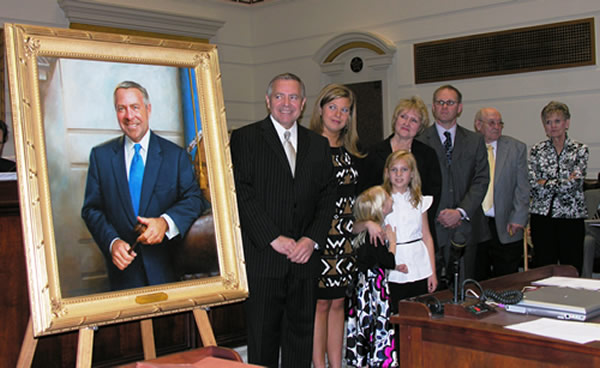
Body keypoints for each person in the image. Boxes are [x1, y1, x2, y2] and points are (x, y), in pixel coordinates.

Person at [230, 73, 336, 368]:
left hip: (305, 260)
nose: (286, 104)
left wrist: (311, 239)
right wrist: (274, 238)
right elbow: (241, 193)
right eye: (279, 96)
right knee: (262, 342)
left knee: (300, 341)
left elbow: (328, 196)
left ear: (303, 104)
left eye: (293, 98)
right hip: (265, 259)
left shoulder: (318, 144)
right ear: (267, 101)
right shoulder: (245, 138)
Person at [81, 81, 207, 291]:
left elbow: (194, 199)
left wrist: (165, 223)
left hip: (166, 273)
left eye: (135, 107)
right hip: (122, 276)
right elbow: (92, 209)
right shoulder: (100, 157)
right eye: (121, 109)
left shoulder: (175, 156)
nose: (129, 116)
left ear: (148, 109)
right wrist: (112, 243)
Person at [308, 84, 362, 368]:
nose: (338, 114)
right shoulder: (307, 147)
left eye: (344, 109)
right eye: (333, 107)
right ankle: (319, 365)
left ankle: (336, 365)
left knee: (339, 302)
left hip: (346, 238)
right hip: (319, 236)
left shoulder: (351, 150)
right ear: (320, 109)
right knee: (320, 304)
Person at [416, 85, 489, 284]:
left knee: (464, 290)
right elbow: (416, 185)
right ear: (433, 107)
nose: (445, 107)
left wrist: (460, 211)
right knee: (430, 292)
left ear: (459, 107)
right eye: (440, 102)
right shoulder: (419, 141)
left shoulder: (475, 141)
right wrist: (439, 212)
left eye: (450, 102)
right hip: (431, 227)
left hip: (465, 226)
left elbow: (481, 180)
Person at [359, 96, 441, 237]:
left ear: (420, 127)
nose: (407, 123)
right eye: (403, 116)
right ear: (395, 119)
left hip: (417, 232)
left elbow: (433, 193)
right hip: (381, 230)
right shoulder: (372, 153)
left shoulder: (428, 155)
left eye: (414, 120)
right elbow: (364, 193)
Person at [345, 185, 406, 368]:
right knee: (378, 322)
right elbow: (386, 260)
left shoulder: (364, 235)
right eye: (387, 197)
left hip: (362, 289)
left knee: (364, 325)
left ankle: (362, 357)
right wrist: (392, 242)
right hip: (373, 291)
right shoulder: (376, 235)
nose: (391, 199)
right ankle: (380, 358)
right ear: (380, 207)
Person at [528, 101, 588, 274]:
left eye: (557, 121)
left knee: (572, 267)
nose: (553, 126)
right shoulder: (537, 150)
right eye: (548, 122)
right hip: (542, 217)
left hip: (571, 217)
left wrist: (546, 182)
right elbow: (533, 185)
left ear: (566, 123)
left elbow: (574, 184)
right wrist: (563, 181)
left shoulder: (580, 150)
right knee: (544, 268)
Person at [472, 108, 529, 280]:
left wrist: (518, 218)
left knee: (506, 280)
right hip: (477, 224)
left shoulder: (515, 148)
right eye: (491, 123)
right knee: (478, 277)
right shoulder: (469, 147)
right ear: (478, 125)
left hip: (506, 223)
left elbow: (523, 187)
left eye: (500, 123)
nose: (497, 127)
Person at [383, 150, 437, 311]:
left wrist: (432, 272)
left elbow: (427, 237)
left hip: (419, 265)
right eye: (394, 170)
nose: (399, 174)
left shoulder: (420, 201)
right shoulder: (381, 200)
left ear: (412, 174)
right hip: (393, 263)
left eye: (404, 169)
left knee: (418, 311)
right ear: (387, 173)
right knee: (396, 311)